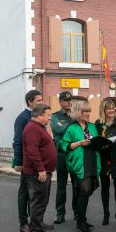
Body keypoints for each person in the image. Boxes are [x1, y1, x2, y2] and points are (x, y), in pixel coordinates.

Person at [13, 90, 54, 232]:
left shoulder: (41, 120)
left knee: (36, 196)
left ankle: (36, 222)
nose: (41, 102)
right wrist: (19, 162)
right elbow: (18, 142)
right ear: (30, 102)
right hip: (28, 164)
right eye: (38, 100)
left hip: (35, 163)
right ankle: (24, 223)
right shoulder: (23, 118)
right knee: (26, 194)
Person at [60, 101, 101, 232]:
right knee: (84, 191)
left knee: (88, 190)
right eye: (85, 111)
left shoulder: (92, 126)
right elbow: (64, 146)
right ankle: (80, 222)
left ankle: (81, 218)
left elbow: (97, 141)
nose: (88, 114)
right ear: (78, 112)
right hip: (80, 163)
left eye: (89, 111)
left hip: (93, 160)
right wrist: (79, 143)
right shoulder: (71, 128)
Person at [23, 104, 57, 232]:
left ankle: (37, 225)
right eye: (47, 115)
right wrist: (41, 169)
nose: (49, 118)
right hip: (38, 173)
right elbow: (32, 151)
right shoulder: (32, 128)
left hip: (43, 171)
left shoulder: (39, 128)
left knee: (42, 201)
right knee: (38, 202)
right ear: (38, 115)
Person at [95, 99, 116, 227]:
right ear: (103, 110)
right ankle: (106, 214)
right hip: (104, 160)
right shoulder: (98, 124)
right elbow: (95, 142)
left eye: (112, 108)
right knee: (104, 187)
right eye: (108, 108)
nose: (111, 110)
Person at [51, 91, 77, 224]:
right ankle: (60, 213)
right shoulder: (55, 116)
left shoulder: (74, 116)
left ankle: (77, 212)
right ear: (60, 102)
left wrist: (70, 127)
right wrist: (72, 128)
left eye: (69, 100)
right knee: (61, 185)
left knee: (76, 184)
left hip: (73, 153)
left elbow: (79, 131)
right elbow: (58, 129)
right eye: (66, 100)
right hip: (61, 153)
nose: (68, 102)